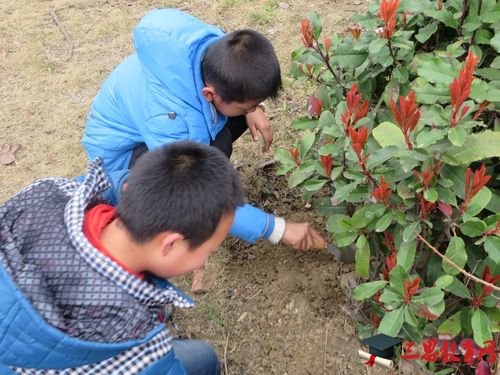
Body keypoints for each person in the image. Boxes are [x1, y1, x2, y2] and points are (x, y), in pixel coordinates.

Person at [82, 8, 326, 251]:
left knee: (232, 124)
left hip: (157, 125)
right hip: (122, 162)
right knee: (201, 169)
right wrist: (277, 229)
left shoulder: (211, 46)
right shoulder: (171, 119)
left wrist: (251, 109)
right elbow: (195, 191)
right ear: (209, 93)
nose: (254, 108)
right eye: (249, 104)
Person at [0, 142, 244, 374]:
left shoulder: (48, 192)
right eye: (208, 252)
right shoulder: (139, 347)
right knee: (204, 358)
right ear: (169, 244)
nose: (203, 263)